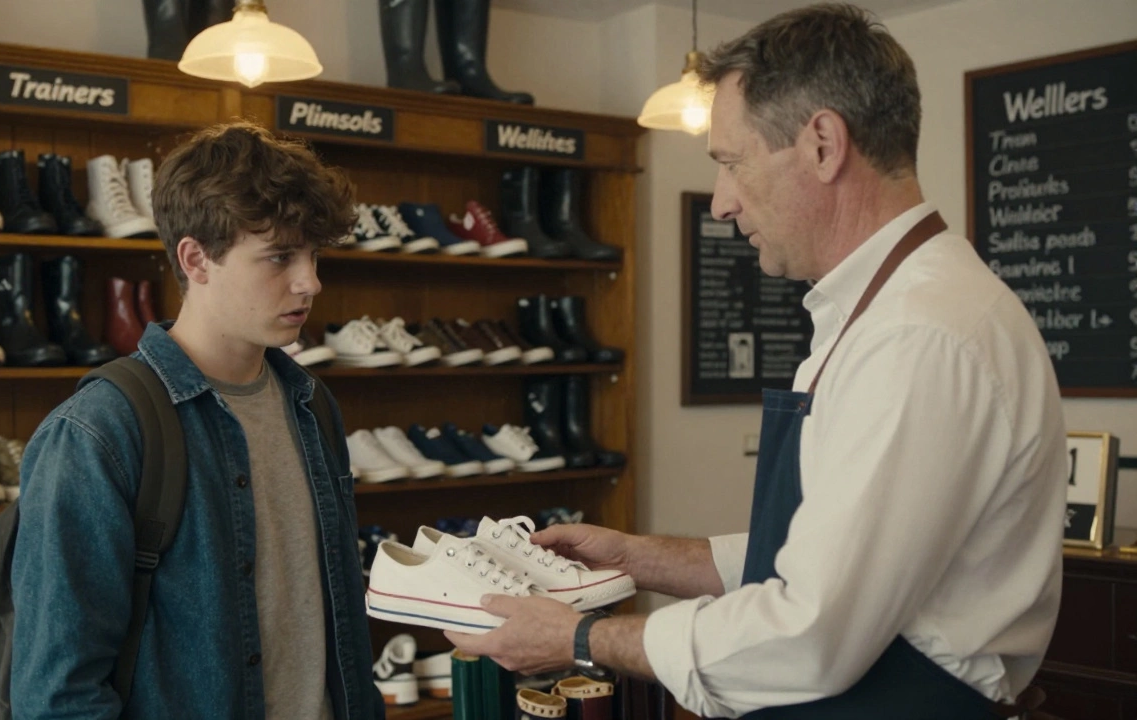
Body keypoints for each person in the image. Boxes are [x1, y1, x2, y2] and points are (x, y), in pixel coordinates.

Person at [448, 5, 1067, 718]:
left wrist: (581, 637)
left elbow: (811, 634)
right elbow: (836, 551)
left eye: (731, 163)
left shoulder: (915, 337)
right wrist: (639, 557)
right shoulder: (889, 311)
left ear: (824, 145)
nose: (720, 204)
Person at [10, 122, 384, 720]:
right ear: (195, 258)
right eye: (280, 256)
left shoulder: (311, 403)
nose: (310, 281)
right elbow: (57, 695)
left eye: (314, 255)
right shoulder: (98, 432)